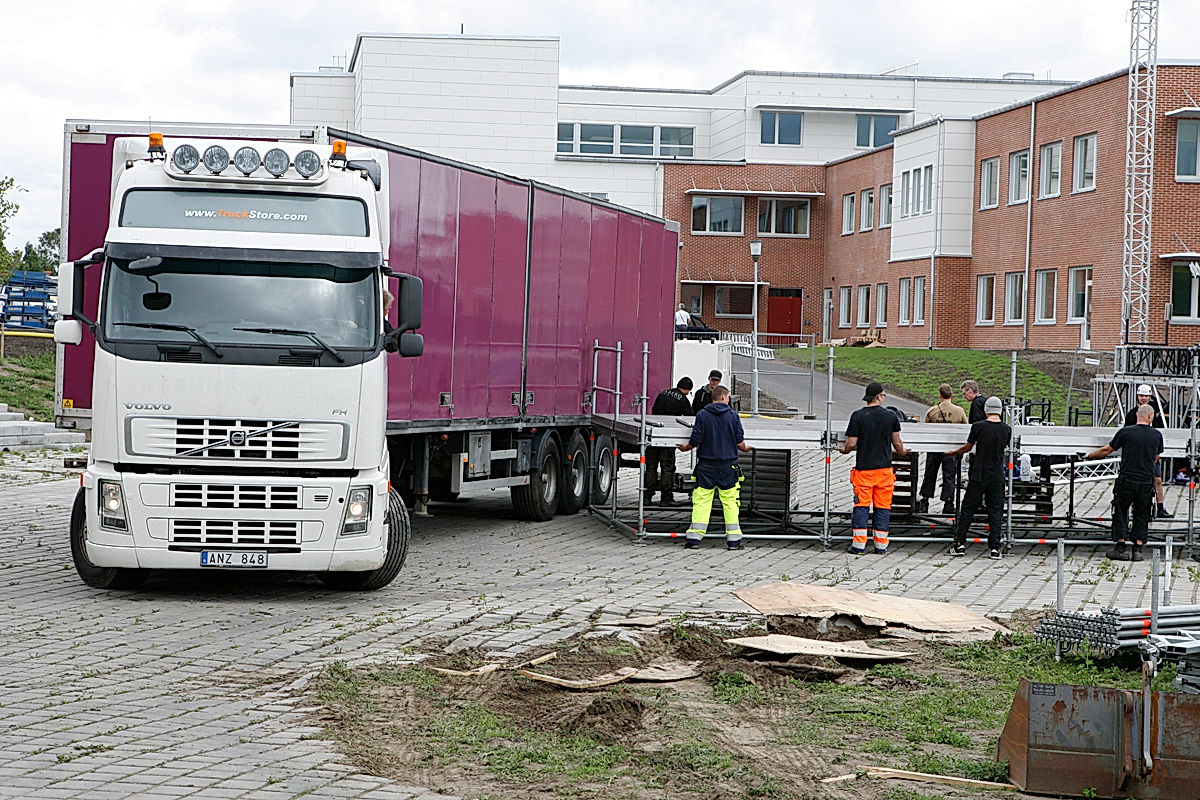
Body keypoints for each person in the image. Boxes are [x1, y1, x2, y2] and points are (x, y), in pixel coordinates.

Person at [678, 385, 752, 550]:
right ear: (724, 397)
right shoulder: (733, 416)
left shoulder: (702, 415)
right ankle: (733, 541)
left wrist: (685, 448)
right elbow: (740, 442)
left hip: (706, 466)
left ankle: (694, 540)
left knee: (702, 501)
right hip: (728, 466)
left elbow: (695, 439)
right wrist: (746, 448)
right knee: (730, 502)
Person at [1087, 403, 1162, 562]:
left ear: (1137, 415)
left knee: (1120, 509)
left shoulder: (1125, 432)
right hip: (1146, 480)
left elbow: (1107, 450)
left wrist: (1089, 456)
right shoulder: (1157, 435)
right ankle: (1138, 549)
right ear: (1150, 416)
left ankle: (1121, 548)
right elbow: (1156, 458)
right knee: (1142, 512)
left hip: (1127, 477)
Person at [839, 381, 907, 555]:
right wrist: (903, 452)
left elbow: (851, 443)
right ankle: (881, 546)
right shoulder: (890, 416)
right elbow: (897, 442)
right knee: (882, 508)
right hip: (884, 471)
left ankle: (858, 546)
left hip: (864, 471)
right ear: (878, 396)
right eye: (883, 395)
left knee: (861, 507)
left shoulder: (857, 416)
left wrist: (844, 450)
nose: (883, 398)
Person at [944, 396, 1011, 560]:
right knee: (995, 511)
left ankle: (959, 544)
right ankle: (995, 548)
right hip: (997, 474)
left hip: (979, 473)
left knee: (968, 508)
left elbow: (968, 446)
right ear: (1000, 410)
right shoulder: (1007, 429)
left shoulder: (978, 426)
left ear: (986, 410)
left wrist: (955, 452)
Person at [919, 383, 968, 515]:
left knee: (930, 474)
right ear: (951, 395)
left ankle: (925, 500)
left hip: (934, 447)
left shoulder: (932, 411)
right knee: (949, 476)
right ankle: (948, 502)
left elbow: (926, 429)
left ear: (940, 395)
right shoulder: (959, 411)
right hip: (951, 448)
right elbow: (965, 428)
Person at [1123, 384, 1171, 519]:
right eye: (1141, 396)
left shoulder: (1156, 412)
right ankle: (1134, 506)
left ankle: (1160, 507)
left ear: (1150, 397)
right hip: (1137, 453)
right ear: (1137, 397)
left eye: (1146, 396)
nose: (1144, 398)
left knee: (1157, 480)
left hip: (1151, 451)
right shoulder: (1132, 414)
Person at [644, 377, 694, 506]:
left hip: (654, 435)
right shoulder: (683, 399)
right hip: (667, 437)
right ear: (687, 390)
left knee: (650, 467)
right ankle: (666, 498)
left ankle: (646, 497)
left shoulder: (662, 393)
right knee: (667, 468)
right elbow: (690, 417)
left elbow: (654, 411)